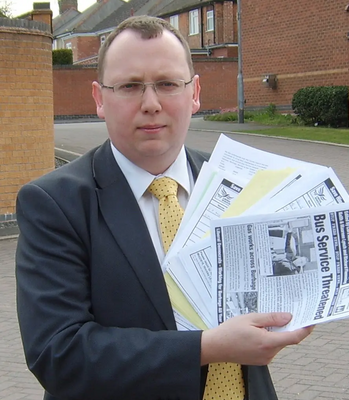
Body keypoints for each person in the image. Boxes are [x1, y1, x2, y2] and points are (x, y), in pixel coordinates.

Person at [15, 15, 313, 400]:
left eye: (168, 84)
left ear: (195, 93)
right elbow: (59, 354)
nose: (151, 104)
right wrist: (208, 347)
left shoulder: (239, 182)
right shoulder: (55, 204)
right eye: (130, 86)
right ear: (99, 98)